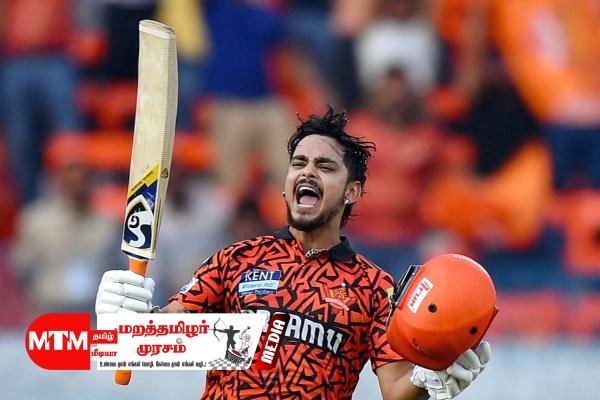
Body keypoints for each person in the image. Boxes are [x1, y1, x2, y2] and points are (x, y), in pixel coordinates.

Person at [96, 107, 491, 399]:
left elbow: (395, 389)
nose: (307, 171)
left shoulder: (375, 289)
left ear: (352, 191)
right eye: (299, 163)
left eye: (325, 166)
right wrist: (121, 324)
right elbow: (159, 340)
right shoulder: (237, 258)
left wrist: (427, 381)